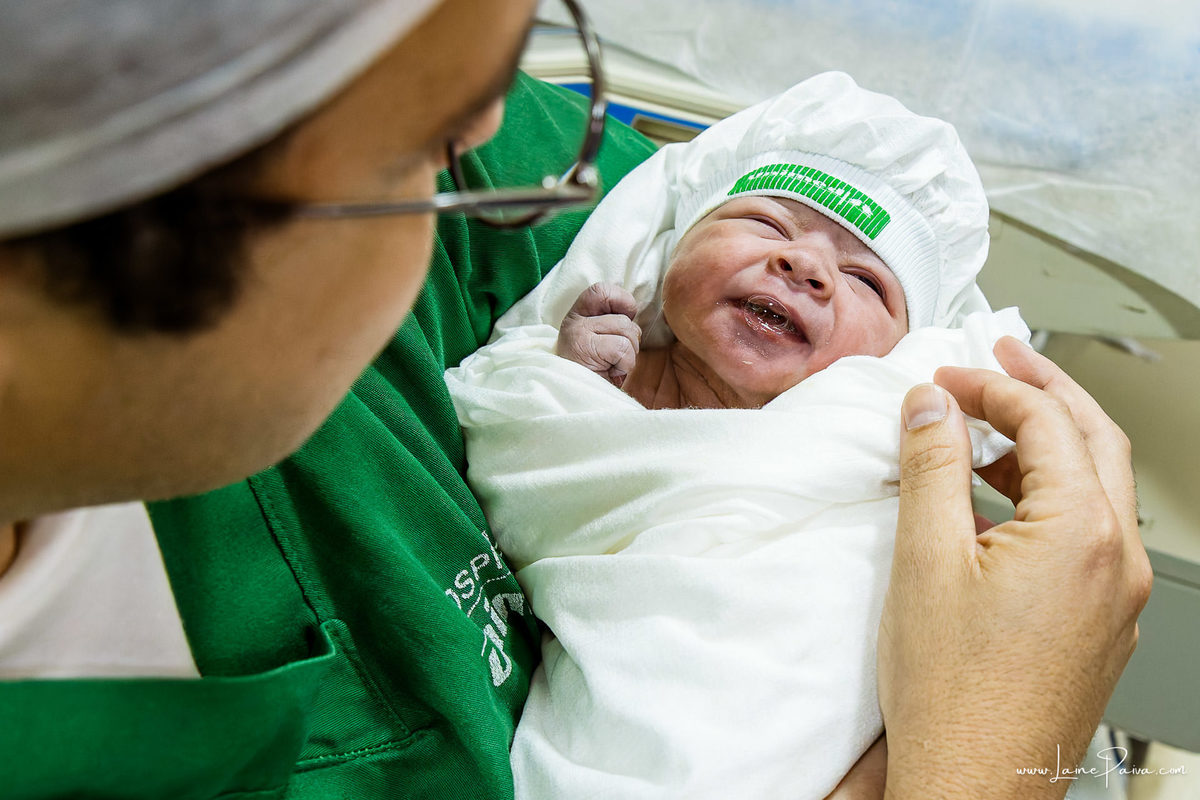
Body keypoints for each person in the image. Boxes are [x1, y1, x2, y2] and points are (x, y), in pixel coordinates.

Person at [0, 1, 1150, 798]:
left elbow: (653, 201)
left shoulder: (485, 208)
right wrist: (987, 762)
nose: (492, 135)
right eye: (420, 145)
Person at [445, 72, 1031, 798]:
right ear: (670, 251)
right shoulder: (604, 371)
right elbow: (515, 437)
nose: (806, 265)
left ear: (895, 356)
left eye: (866, 281)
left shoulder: (861, 444)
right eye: (767, 225)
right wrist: (563, 380)